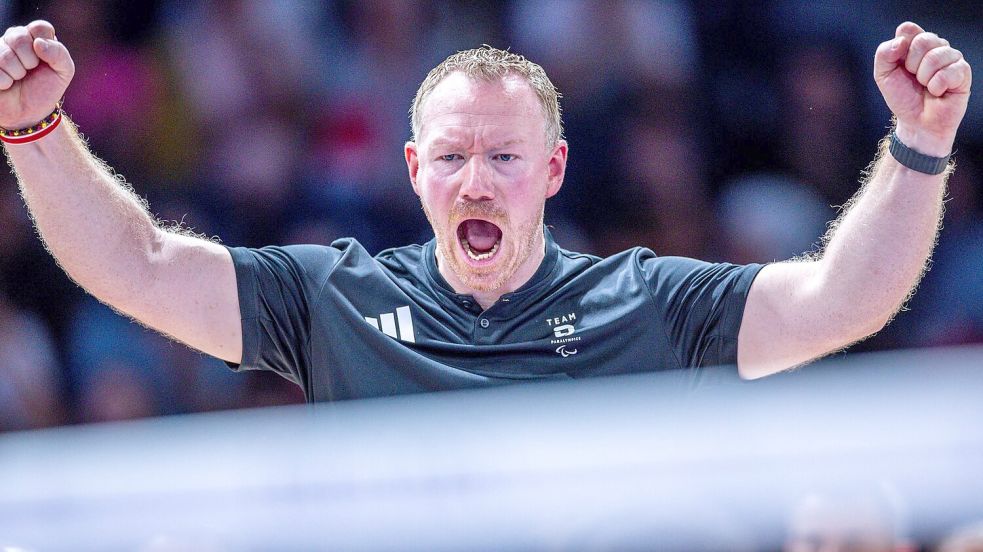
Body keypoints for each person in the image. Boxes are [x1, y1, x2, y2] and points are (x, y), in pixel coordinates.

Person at [0, 20, 971, 401]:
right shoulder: (331, 297)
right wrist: (37, 133)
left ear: (551, 171)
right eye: (453, 157)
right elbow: (140, 265)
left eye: (503, 157)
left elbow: (843, 298)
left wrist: (919, 147)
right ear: (413, 171)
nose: (475, 181)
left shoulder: (649, 300)